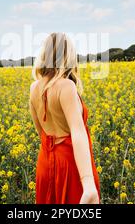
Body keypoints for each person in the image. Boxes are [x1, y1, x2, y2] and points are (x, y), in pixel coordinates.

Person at [29, 32, 100, 204]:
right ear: (69, 55)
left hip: (45, 163)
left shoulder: (34, 88)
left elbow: (42, 133)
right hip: (70, 164)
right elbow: (77, 132)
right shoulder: (66, 86)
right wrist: (88, 181)